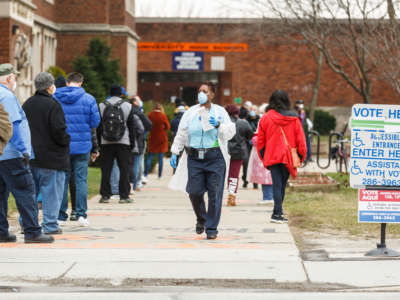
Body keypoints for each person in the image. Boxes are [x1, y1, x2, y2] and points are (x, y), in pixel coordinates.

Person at [169, 81, 235, 240]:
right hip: (194, 158)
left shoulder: (220, 112)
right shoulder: (191, 112)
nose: (201, 94)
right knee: (194, 191)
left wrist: (219, 125)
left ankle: (211, 228)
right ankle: (202, 218)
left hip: (215, 157)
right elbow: (182, 133)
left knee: (215, 194)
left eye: (205, 91)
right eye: (200, 91)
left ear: (212, 94)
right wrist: (174, 151)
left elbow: (230, 133)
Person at [0, 63, 54, 243]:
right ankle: (32, 231)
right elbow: (13, 126)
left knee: (1, 194)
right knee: (26, 190)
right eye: (14, 78)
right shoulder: (7, 96)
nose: (15, 81)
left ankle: (1, 231)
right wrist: (24, 150)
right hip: (12, 154)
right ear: (8, 78)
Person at [23, 72, 70, 235]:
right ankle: (50, 224)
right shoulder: (53, 105)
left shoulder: (27, 104)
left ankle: (27, 223)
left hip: (32, 156)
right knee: (51, 192)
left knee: (30, 193)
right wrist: (66, 141)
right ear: (51, 86)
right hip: (52, 156)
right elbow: (59, 130)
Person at [55, 72, 100, 227]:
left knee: (63, 180)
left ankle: (60, 215)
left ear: (67, 83)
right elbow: (95, 121)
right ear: (81, 83)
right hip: (82, 146)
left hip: (63, 146)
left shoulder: (56, 98)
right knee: (81, 180)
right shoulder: (89, 99)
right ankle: (81, 214)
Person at [257, 90, 307, 224]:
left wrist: (263, 156)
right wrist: (301, 156)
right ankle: (277, 213)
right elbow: (301, 140)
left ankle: (277, 212)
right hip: (288, 156)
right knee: (281, 185)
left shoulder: (266, 118)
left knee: (276, 184)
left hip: (272, 155)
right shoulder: (294, 119)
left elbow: (260, 141)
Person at [98, 84, 141, 204]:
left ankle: (105, 195)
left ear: (110, 93)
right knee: (124, 169)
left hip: (106, 142)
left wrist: (98, 142)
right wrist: (132, 144)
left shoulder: (101, 105)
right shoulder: (127, 106)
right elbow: (131, 127)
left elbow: (98, 126)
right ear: (121, 94)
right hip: (124, 142)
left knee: (106, 169)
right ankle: (124, 196)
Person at [225, 104, 253, 206]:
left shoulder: (223, 123)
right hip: (238, 152)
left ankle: (216, 196)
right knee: (234, 175)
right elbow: (250, 135)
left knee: (221, 175)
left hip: (224, 152)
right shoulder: (243, 123)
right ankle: (231, 196)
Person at [130, 96, 152, 191]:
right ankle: (135, 185)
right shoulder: (138, 112)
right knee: (137, 164)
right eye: (138, 100)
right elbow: (149, 125)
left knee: (130, 164)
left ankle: (130, 185)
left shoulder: (126, 110)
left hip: (127, 141)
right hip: (138, 141)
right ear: (134, 102)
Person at [144, 103, 170, 180]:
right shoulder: (163, 116)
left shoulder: (150, 115)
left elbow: (147, 125)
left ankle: (145, 174)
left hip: (152, 137)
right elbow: (168, 126)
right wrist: (163, 129)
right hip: (161, 138)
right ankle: (159, 175)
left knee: (150, 156)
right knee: (160, 158)